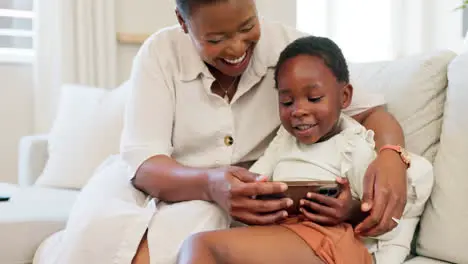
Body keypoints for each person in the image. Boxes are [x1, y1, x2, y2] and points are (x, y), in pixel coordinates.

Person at [43, 0, 412, 263]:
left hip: (241, 193)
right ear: (183, 22)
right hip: (166, 181)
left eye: (247, 26)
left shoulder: (290, 47)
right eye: (216, 39)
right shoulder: (161, 53)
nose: (237, 48)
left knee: (192, 233)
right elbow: (144, 165)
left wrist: (391, 154)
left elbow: (373, 113)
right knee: (97, 230)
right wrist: (209, 183)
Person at [176, 36, 433, 264]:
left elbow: (376, 213)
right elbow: (259, 177)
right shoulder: (283, 140)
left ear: (344, 97)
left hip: (332, 239)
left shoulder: (354, 144)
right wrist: (252, 190)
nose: (298, 110)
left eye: (314, 98)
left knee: (199, 246)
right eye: (287, 102)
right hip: (285, 232)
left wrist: (349, 209)